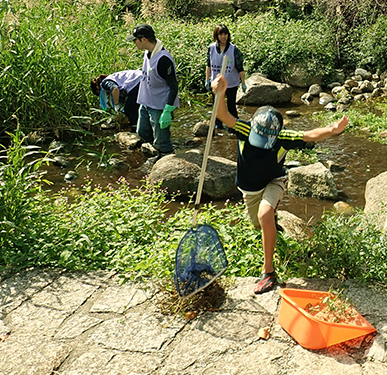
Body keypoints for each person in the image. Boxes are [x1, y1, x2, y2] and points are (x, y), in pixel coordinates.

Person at [211, 73, 348, 294]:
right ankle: (273, 225)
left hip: (275, 181)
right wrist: (219, 92)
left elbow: (309, 135)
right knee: (258, 223)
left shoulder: (283, 137)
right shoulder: (246, 130)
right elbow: (223, 115)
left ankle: (268, 273)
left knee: (265, 214)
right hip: (249, 188)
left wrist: (332, 130)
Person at [126, 24, 179, 156]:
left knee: (162, 143)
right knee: (142, 134)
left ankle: (166, 163)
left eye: (135, 40)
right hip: (146, 102)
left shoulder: (163, 59)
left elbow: (173, 86)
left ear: (143, 39)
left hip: (159, 106)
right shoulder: (147, 53)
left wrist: (167, 110)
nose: (134, 43)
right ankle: (150, 160)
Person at [205, 24, 247, 129]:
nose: (223, 37)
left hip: (231, 83)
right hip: (217, 83)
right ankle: (218, 124)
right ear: (216, 35)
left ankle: (234, 126)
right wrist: (207, 79)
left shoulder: (233, 49)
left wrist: (243, 82)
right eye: (221, 34)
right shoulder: (211, 48)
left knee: (231, 105)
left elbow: (240, 67)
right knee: (217, 105)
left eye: (225, 34)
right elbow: (208, 65)